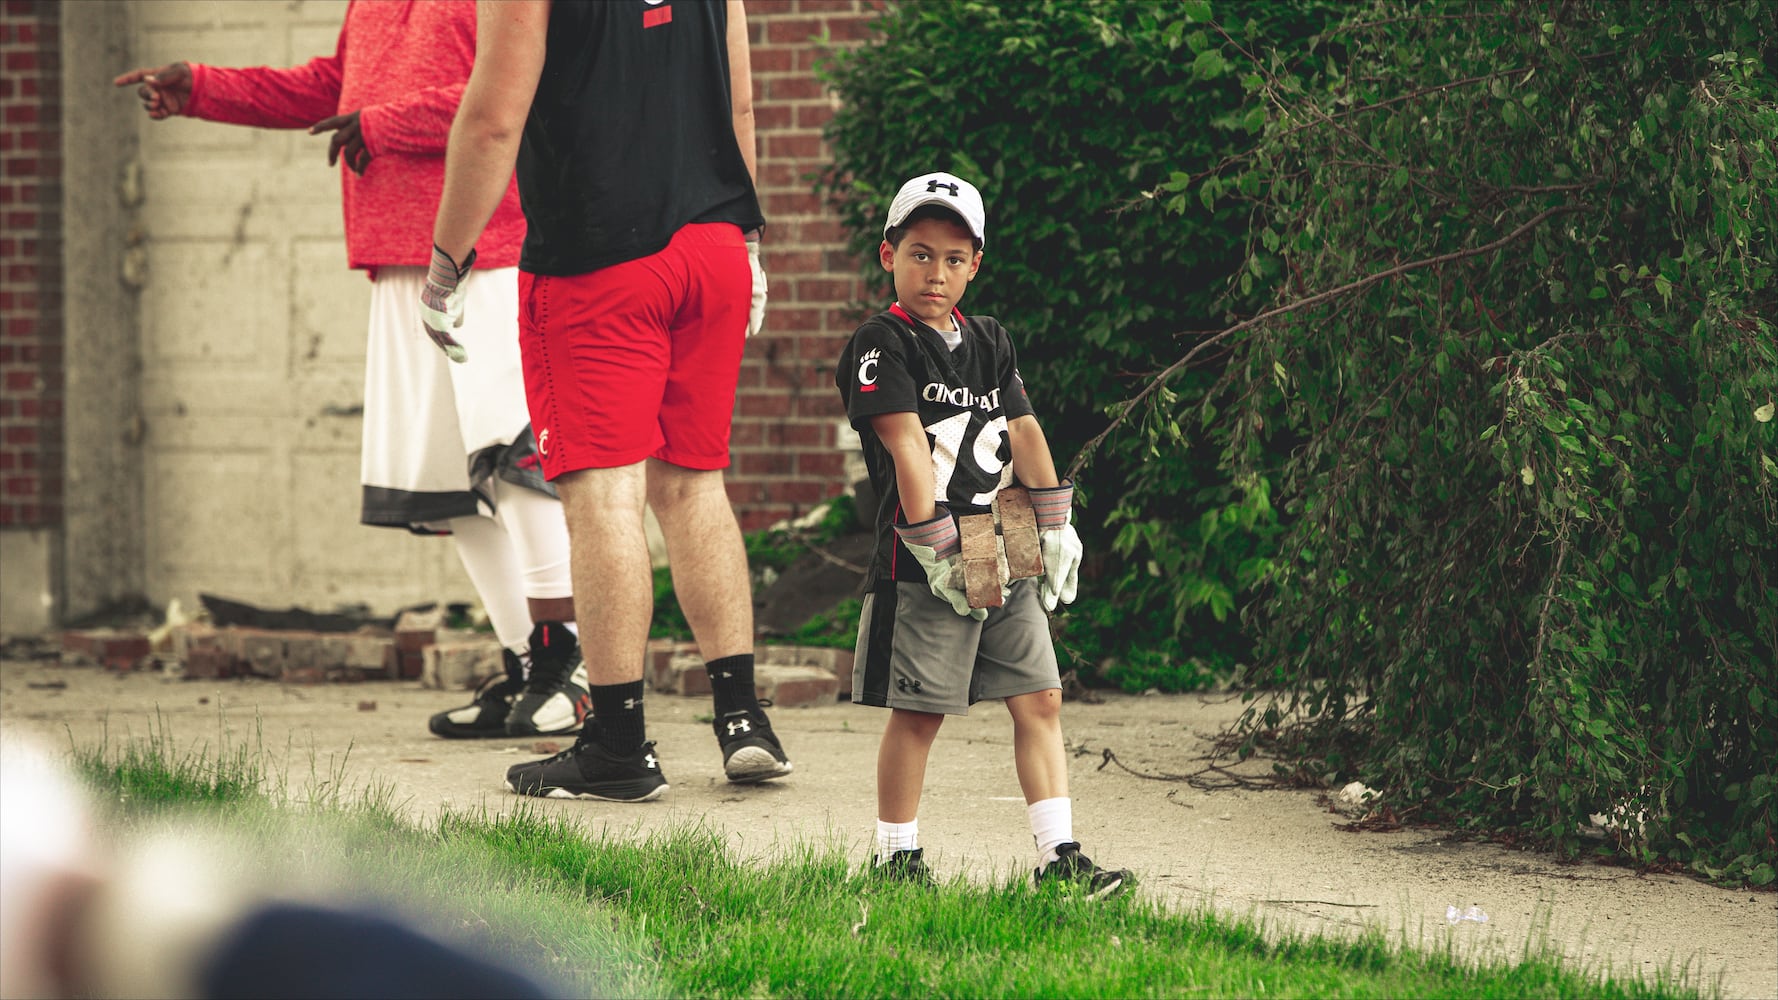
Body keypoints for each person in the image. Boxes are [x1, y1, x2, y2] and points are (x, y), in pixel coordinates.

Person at [112, 1, 591, 741]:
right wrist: (203, 88)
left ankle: (572, 670)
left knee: (513, 462)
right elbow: (332, 88)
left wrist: (382, 124)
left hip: (489, 254)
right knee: (446, 487)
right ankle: (528, 666)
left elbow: (511, 96)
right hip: (398, 262)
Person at [423, 0, 790, 800]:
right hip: (715, 244)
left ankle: (618, 742)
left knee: (603, 496)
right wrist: (749, 238)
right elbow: (741, 105)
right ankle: (743, 720)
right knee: (694, 484)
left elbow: (491, 120)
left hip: (599, 257)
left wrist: (447, 258)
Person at [834, 172, 1132, 897]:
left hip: (1006, 540)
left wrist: (1055, 523)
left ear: (976, 265)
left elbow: (1022, 429)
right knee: (921, 712)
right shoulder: (883, 342)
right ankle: (896, 860)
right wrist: (936, 544)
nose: (936, 273)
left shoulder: (990, 341)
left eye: (954, 258)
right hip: (927, 551)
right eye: (920, 253)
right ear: (888, 255)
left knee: (1041, 697)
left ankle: (1060, 859)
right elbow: (907, 447)